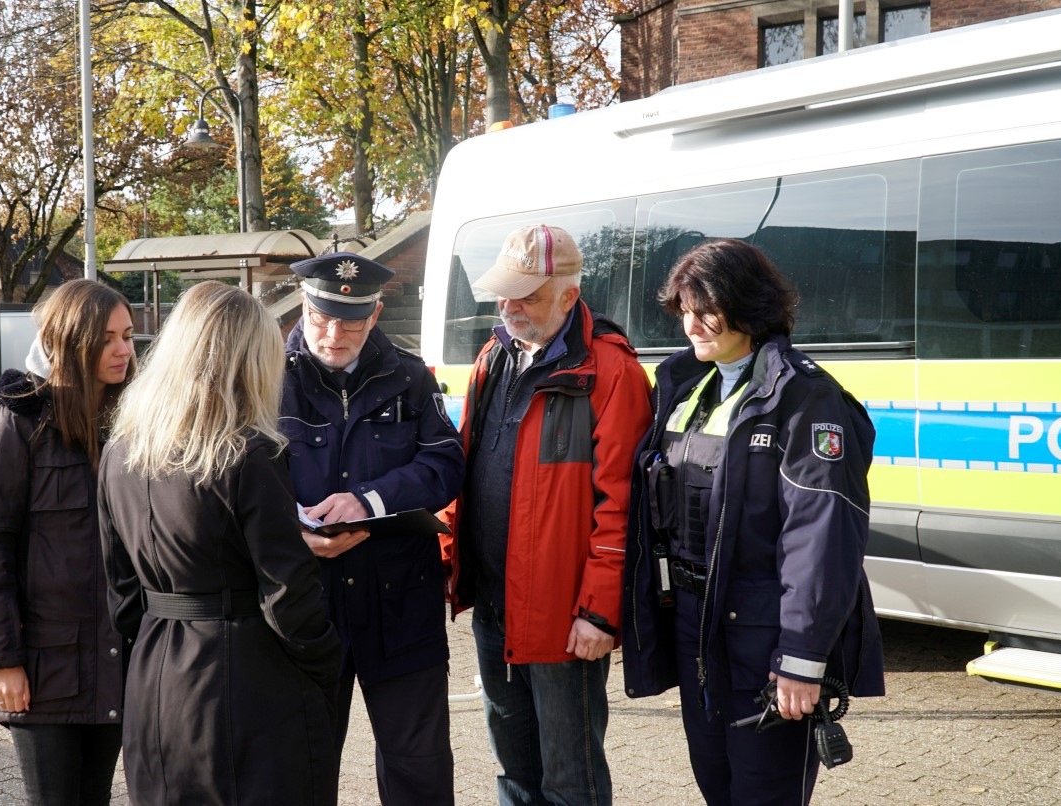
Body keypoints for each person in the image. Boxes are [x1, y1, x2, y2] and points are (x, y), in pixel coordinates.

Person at [621, 239, 885, 805]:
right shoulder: (690, 385)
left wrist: (801, 659)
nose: (692, 324)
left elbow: (822, 541)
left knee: (765, 794)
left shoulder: (804, 398)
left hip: (765, 637)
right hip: (695, 627)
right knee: (717, 785)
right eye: (684, 310)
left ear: (750, 303)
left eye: (706, 308)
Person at [98, 281, 342, 805]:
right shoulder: (248, 453)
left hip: (157, 675)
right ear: (250, 359)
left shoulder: (120, 451)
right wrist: (326, 663)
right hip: (245, 680)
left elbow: (119, 590)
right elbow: (288, 593)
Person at [442, 224, 653, 805]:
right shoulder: (493, 356)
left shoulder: (612, 373)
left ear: (568, 295)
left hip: (565, 617)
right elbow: (469, 466)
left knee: (570, 781)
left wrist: (598, 613)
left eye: (527, 295)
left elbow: (622, 507)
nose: (509, 306)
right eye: (504, 292)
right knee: (514, 773)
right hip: (492, 605)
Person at [280, 252, 465, 804]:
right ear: (303, 306)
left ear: (377, 312)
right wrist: (294, 530)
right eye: (320, 318)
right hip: (306, 606)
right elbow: (236, 476)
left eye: (351, 322)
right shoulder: (264, 374)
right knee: (303, 767)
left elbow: (446, 463)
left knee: (420, 770)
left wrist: (370, 500)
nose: (334, 334)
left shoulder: (409, 376)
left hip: (401, 604)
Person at [0, 279, 135, 805]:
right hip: (43, 668)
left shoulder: (133, 421)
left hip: (115, 660)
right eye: (107, 338)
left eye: (128, 336)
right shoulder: (18, 420)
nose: (124, 350)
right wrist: (1, 661)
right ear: (70, 341)